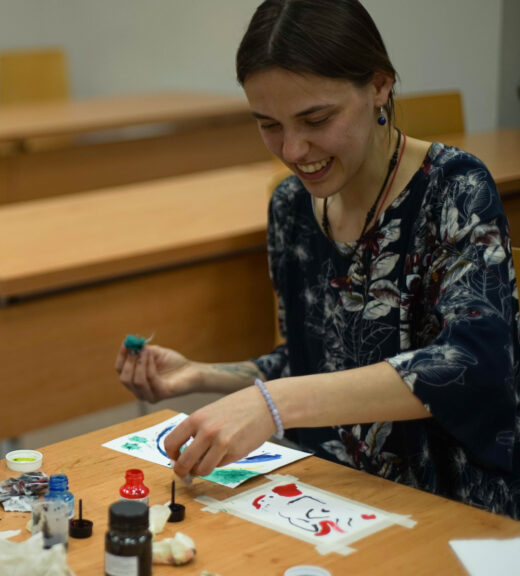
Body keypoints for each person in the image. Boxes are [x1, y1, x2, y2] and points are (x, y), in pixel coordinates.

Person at [116, 0, 520, 519]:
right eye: (268, 124)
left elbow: (474, 362)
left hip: (447, 508)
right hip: (329, 498)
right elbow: (312, 364)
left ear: (379, 86)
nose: (292, 149)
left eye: (316, 119)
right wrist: (201, 375)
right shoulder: (291, 206)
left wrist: (273, 405)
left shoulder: (454, 188)